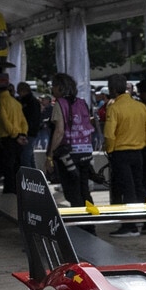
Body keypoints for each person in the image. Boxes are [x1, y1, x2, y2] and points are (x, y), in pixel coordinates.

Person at [102, 75, 146, 232]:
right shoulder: (140, 106)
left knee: (127, 190)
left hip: (120, 153)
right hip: (138, 152)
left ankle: (130, 226)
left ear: (112, 89)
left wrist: (110, 151)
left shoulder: (114, 108)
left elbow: (109, 134)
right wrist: (141, 142)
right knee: (139, 187)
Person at [45, 73, 95, 205]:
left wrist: (50, 155)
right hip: (85, 151)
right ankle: (90, 222)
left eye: (54, 86)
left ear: (60, 87)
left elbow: (59, 131)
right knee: (84, 189)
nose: (52, 90)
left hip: (68, 153)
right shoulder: (82, 103)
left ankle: (81, 223)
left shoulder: (60, 104)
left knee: (72, 191)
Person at [0, 82, 28, 193]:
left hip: (6, 139)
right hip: (18, 138)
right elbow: (23, 122)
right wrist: (22, 134)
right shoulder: (16, 103)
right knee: (16, 166)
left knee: (7, 167)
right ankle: (17, 190)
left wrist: (14, 135)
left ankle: (9, 190)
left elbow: (4, 121)